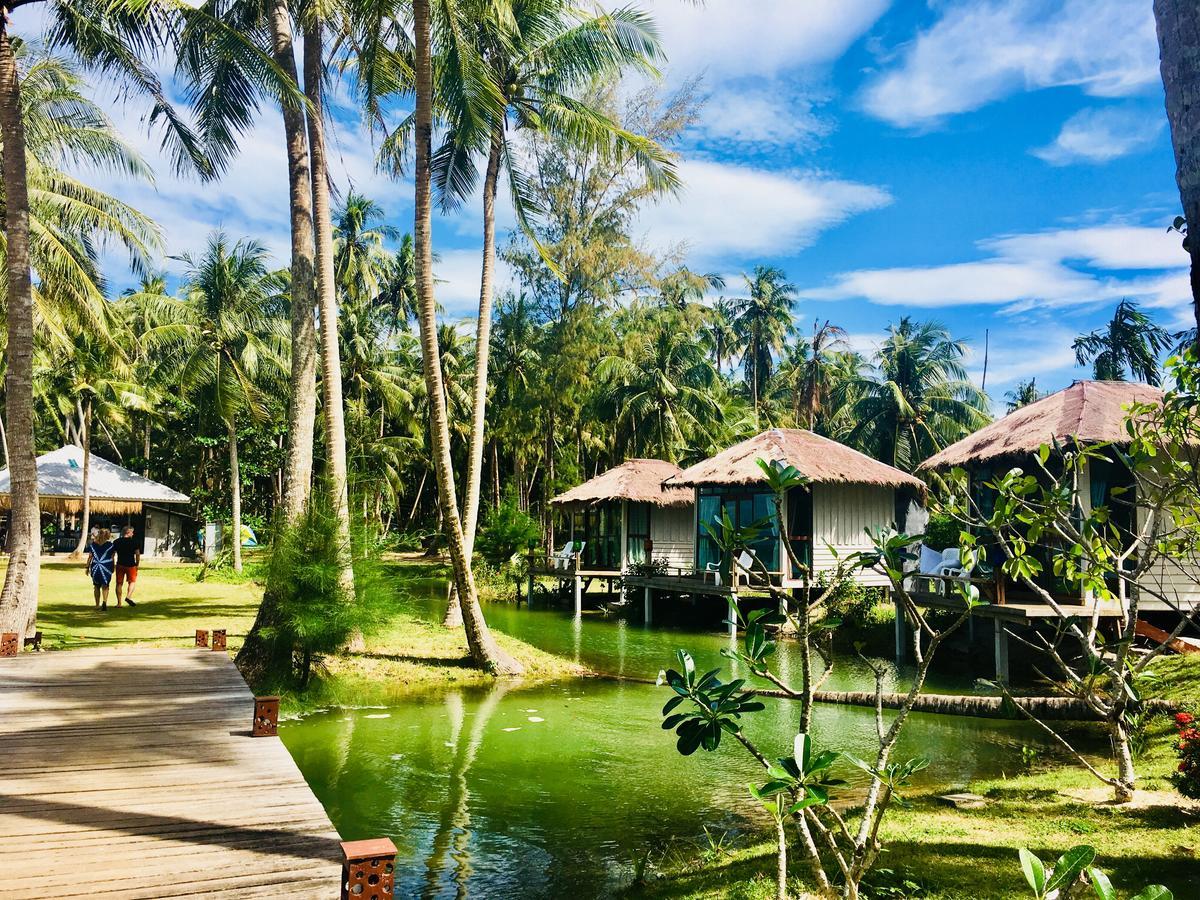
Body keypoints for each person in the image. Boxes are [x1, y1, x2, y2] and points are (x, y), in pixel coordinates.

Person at [85, 527, 116, 611]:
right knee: (105, 586)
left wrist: (87, 567)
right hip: (106, 566)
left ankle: (97, 604)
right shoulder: (111, 545)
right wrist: (113, 567)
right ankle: (105, 602)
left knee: (96, 586)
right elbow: (112, 557)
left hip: (95, 567)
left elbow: (90, 557)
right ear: (108, 535)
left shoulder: (93, 545)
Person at [113, 525, 140, 607]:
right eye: (132, 532)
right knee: (132, 582)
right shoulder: (134, 542)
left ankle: (119, 603)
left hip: (120, 564)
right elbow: (137, 554)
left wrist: (113, 564)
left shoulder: (116, 542)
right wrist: (137, 564)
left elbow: (112, 554)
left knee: (119, 583)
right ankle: (128, 597)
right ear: (128, 532)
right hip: (131, 565)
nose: (133, 534)